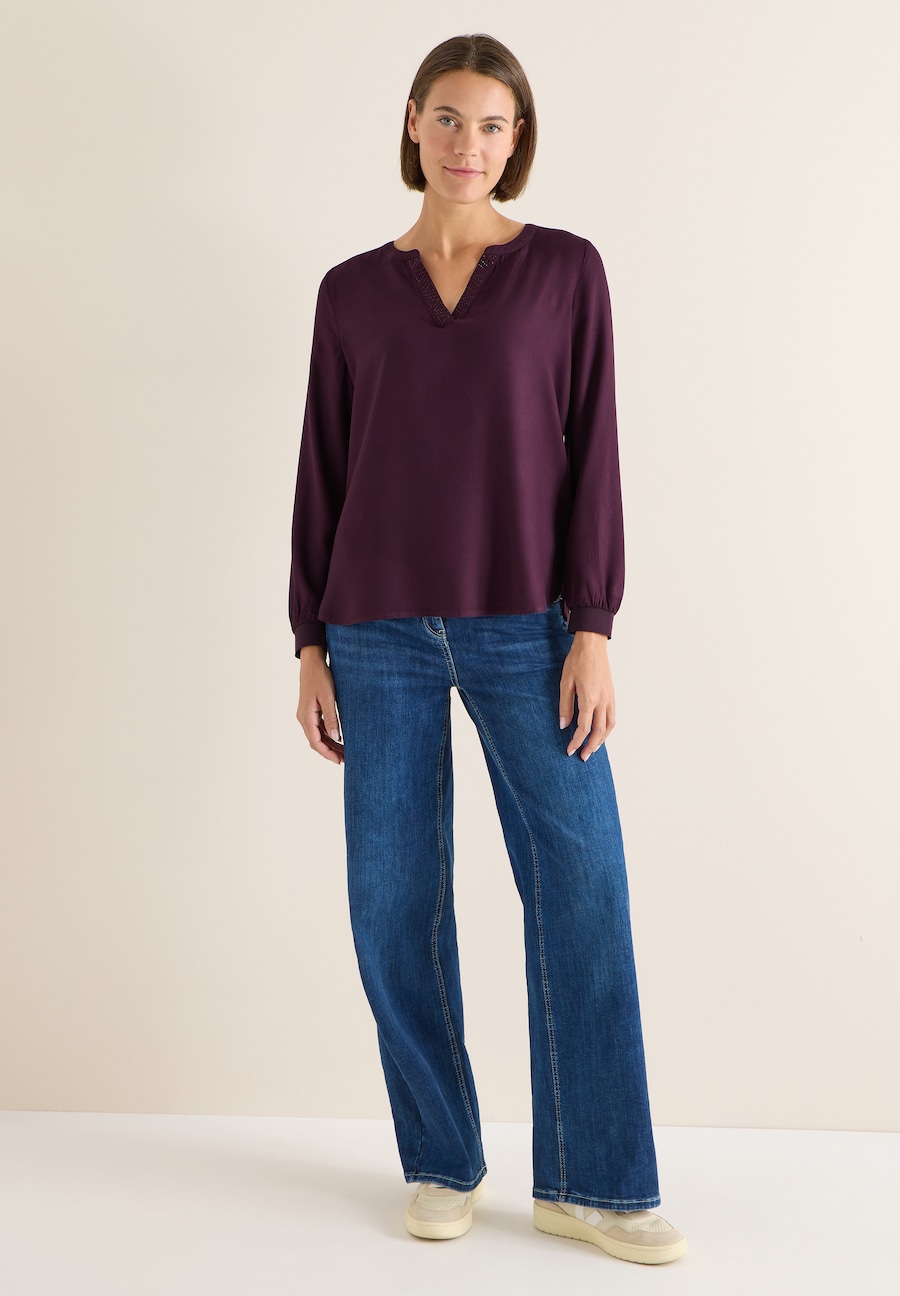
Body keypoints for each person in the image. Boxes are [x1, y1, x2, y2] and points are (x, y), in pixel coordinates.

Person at [289, 32, 688, 1266]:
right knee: (392, 900)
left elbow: (595, 448)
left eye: (495, 125)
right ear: (413, 123)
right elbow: (323, 468)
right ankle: (439, 1160)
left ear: (520, 142)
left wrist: (594, 625)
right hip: (375, 633)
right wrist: (309, 640)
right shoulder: (351, 292)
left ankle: (594, 1182)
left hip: (530, 627)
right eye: (451, 119)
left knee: (583, 887)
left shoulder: (566, 272)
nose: (471, 144)